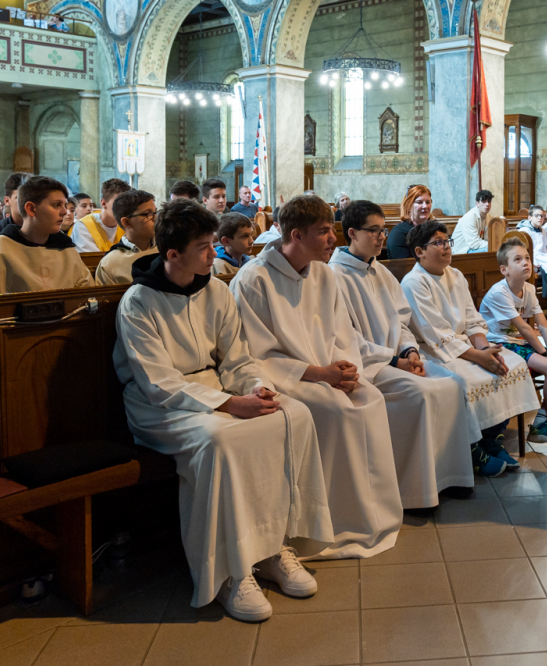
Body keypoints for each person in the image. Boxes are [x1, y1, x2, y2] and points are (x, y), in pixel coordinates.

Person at [113, 198, 333, 622]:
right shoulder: (138, 302)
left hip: (214, 387)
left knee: (294, 415)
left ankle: (270, 548)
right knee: (220, 440)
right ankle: (228, 573)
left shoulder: (215, 289)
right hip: (157, 405)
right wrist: (231, 404)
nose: (213, 254)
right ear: (173, 254)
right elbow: (157, 381)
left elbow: (236, 358)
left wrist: (257, 389)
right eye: (203, 247)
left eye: (213, 244)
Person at [230, 195, 403, 559]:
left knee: (370, 399)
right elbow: (255, 353)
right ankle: (329, 526)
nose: (333, 239)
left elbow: (343, 334)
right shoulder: (254, 279)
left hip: (329, 373)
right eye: (324, 231)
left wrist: (347, 369)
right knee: (336, 412)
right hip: (287, 379)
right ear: (296, 235)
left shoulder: (324, 274)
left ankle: (371, 516)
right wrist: (319, 374)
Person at [329, 200, 480, 507]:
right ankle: (416, 492)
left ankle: (452, 477)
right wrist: (394, 360)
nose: (381, 237)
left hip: (398, 358)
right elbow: (345, 337)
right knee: (420, 394)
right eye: (374, 231)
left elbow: (401, 321)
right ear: (352, 233)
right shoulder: (333, 276)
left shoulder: (381, 272)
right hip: (370, 366)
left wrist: (410, 351)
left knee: (452, 384)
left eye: (383, 230)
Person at [401, 221, 540, 474]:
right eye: (439, 243)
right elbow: (435, 332)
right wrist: (478, 357)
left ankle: (492, 439)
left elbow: (473, 320)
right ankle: (472, 449)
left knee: (513, 364)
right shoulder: (414, 283)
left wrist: (486, 351)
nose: (446, 247)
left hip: (465, 345)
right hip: (435, 351)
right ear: (420, 251)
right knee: (464, 381)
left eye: (447, 241)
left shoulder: (455, 275)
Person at [479, 237, 547, 448]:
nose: (525, 262)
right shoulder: (499, 292)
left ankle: (540, 423)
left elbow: (543, 326)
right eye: (517, 259)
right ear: (504, 270)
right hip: (498, 345)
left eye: (527, 258)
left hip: (517, 343)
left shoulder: (528, 289)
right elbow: (525, 328)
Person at [0, 176, 94, 297]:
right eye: (56, 205)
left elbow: (88, 297)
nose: (65, 212)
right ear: (31, 208)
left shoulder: (67, 251)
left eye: (65, 205)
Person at [95, 189, 158, 285]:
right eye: (148, 214)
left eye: (155, 212)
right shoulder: (110, 263)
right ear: (127, 222)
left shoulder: (167, 250)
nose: (155, 218)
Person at [518, 206, 547, 300]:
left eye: (542, 216)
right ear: (530, 217)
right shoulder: (524, 231)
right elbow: (523, 250)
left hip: (544, 256)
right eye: (537, 216)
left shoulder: (542, 230)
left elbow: (545, 248)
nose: (540, 218)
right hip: (533, 258)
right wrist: (532, 262)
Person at [71, 178, 131, 252]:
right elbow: (93, 258)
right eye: (119, 203)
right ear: (103, 203)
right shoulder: (83, 225)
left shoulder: (127, 225)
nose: (125, 208)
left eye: (127, 204)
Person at [0, 172, 30, 243]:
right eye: (20, 198)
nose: (27, 202)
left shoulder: (42, 231)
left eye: (30, 197)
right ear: (7, 200)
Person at [386, 185, 433, 259]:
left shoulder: (433, 229)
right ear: (409, 206)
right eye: (419, 202)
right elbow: (405, 264)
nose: (425, 206)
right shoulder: (398, 233)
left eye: (428, 202)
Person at [452, 189, 493, 254]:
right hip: (461, 250)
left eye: (489, 201)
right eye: (483, 201)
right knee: (491, 250)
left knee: (495, 250)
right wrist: (494, 244)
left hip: (472, 248)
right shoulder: (470, 217)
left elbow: (487, 238)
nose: (487, 204)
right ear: (477, 204)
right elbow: (474, 244)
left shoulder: (489, 217)